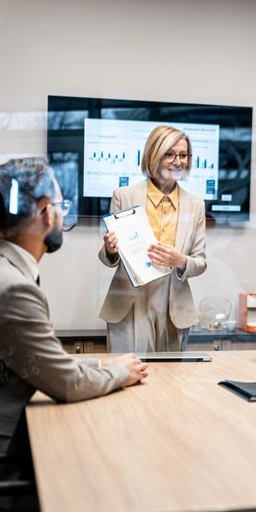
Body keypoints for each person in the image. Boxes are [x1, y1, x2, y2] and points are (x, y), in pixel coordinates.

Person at [0, 158, 148, 488]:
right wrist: (121, 373)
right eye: (62, 206)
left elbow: (43, 362)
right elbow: (67, 383)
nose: (63, 215)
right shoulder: (10, 288)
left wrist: (101, 361)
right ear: (46, 213)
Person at [98, 125, 207, 353]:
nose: (178, 162)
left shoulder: (195, 205)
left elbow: (200, 262)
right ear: (153, 155)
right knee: (129, 379)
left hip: (174, 304)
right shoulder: (124, 196)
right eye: (169, 154)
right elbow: (110, 257)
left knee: (171, 383)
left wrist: (180, 260)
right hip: (130, 301)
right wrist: (110, 249)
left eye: (183, 155)